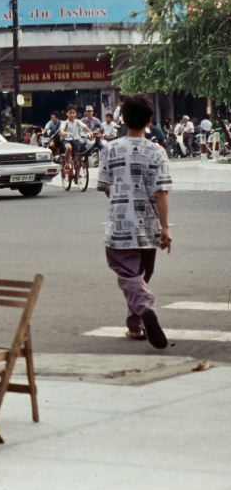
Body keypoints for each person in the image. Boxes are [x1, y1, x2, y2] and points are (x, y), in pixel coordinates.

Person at [96, 94, 171, 349]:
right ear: (150, 120)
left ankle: (146, 310)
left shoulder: (110, 149)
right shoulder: (157, 152)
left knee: (131, 278)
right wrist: (165, 228)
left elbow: (105, 187)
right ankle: (135, 325)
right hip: (148, 228)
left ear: (122, 119)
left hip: (120, 227)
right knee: (140, 278)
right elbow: (161, 192)